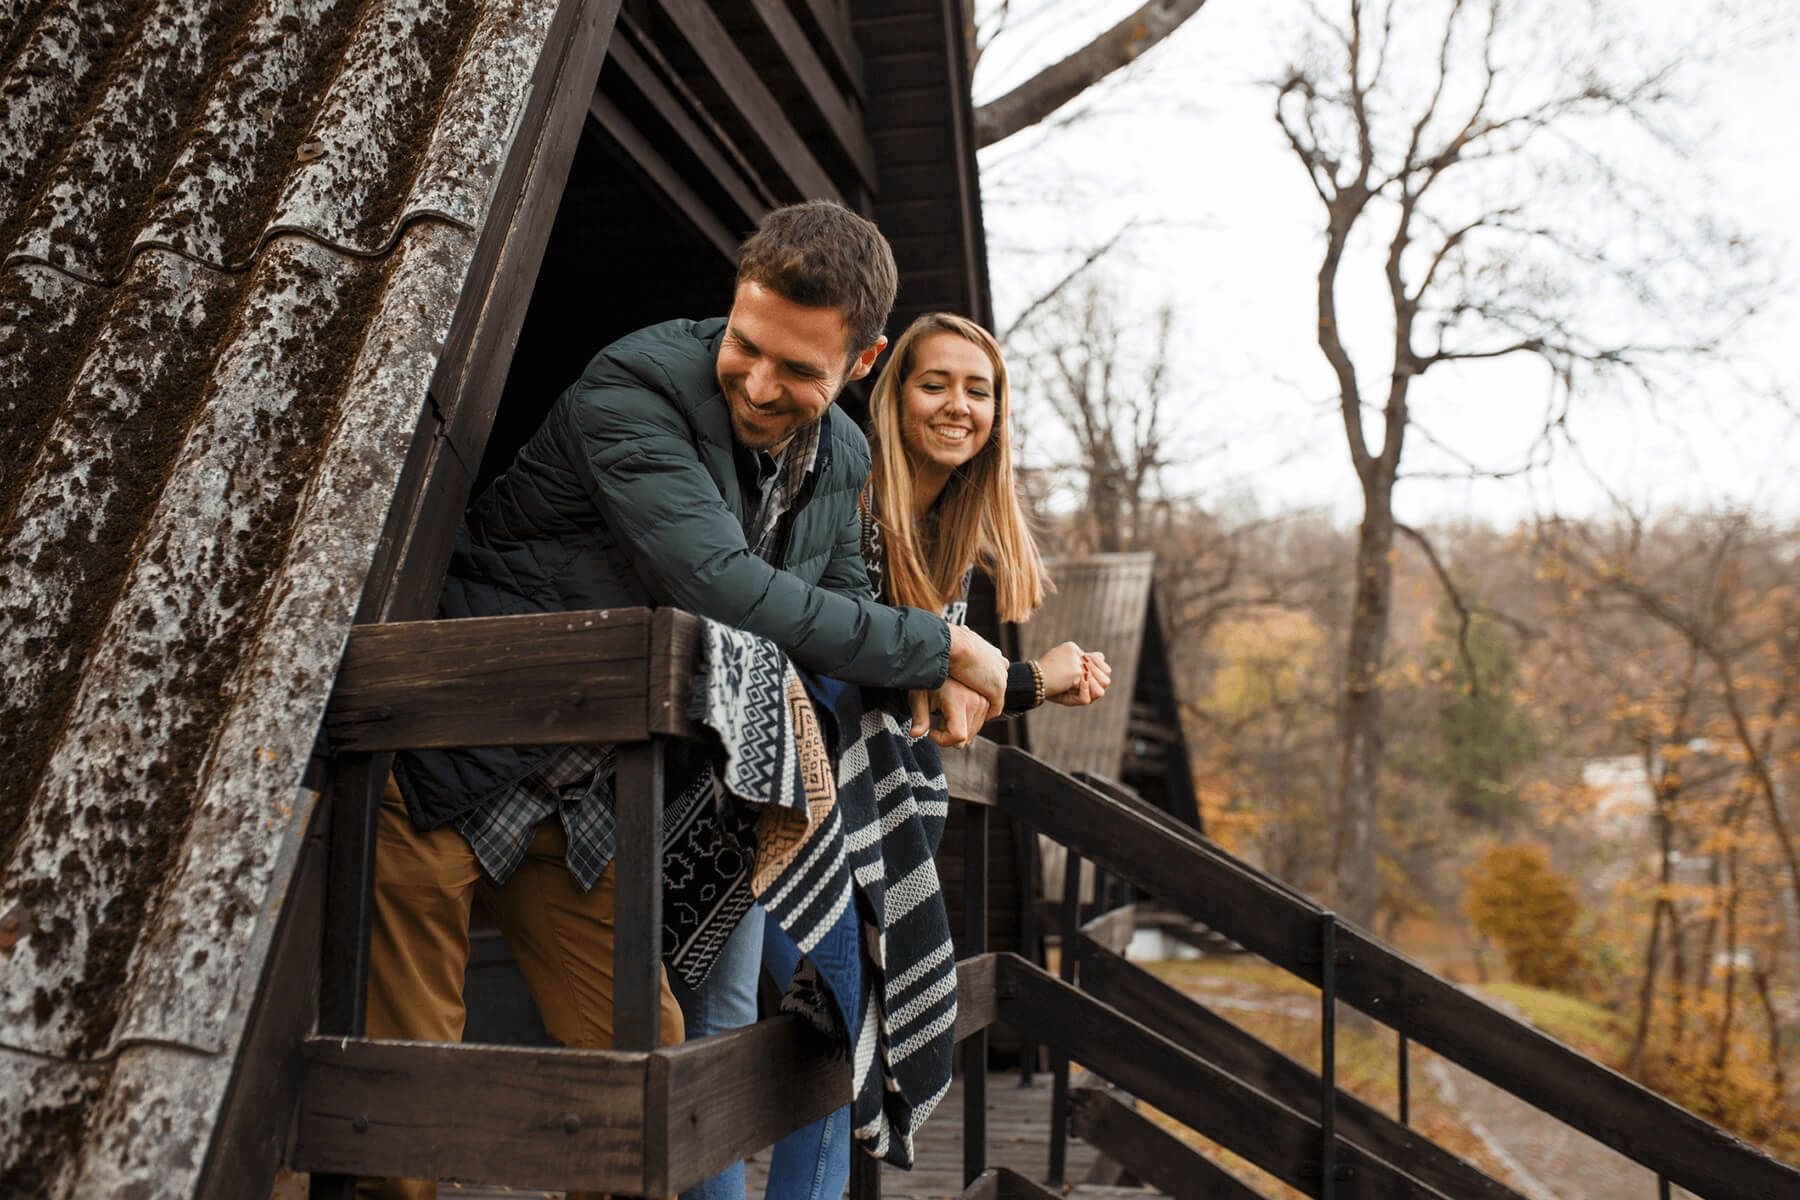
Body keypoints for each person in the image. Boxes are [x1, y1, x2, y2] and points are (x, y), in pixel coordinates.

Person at [361, 202, 1012, 1200]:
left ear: (864, 360)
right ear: (732, 308)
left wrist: (928, 678)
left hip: (586, 801)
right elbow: (721, 586)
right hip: (450, 762)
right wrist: (942, 643)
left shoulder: (841, 458)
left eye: (798, 370)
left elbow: (837, 614)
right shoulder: (631, 385)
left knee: (643, 1078)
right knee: (412, 1103)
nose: (759, 383)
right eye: (747, 346)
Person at [682, 313, 1111, 1200]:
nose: (958, 405)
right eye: (934, 383)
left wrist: (982, 680)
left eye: (978, 389)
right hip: (748, 770)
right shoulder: (852, 484)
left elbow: (932, 704)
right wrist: (1026, 681)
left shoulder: (947, 538)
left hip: (828, 805)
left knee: (836, 1028)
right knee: (752, 1018)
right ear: (892, 394)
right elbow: (866, 652)